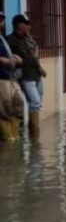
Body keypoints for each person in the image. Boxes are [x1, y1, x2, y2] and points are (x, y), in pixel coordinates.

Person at [7, 14, 45, 136]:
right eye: (25, 23)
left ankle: (32, 133)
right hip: (25, 76)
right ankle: (35, 136)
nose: (28, 26)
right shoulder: (10, 40)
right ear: (18, 25)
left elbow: (34, 54)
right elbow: (9, 58)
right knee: (34, 102)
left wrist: (40, 68)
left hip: (36, 74)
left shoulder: (28, 38)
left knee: (37, 103)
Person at [0, 13, 25, 142]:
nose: (1, 22)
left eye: (2, 19)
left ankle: (15, 138)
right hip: (1, 78)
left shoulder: (2, 38)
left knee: (18, 103)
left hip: (11, 77)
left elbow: (7, 54)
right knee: (5, 110)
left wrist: (16, 58)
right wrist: (4, 61)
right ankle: (9, 139)